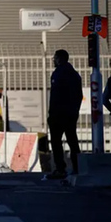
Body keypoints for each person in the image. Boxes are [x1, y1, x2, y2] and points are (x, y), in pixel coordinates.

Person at [47, 49, 82, 179]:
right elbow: (78, 96)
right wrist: (75, 111)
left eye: (55, 58)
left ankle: (60, 168)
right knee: (73, 141)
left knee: (56, 142)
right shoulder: (75, 74)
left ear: (60, 59)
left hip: (58, 114)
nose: (53, 60)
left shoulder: (59, 73)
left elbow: (55, 97)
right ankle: (77, 167)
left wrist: (52, 114)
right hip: (71, 114)